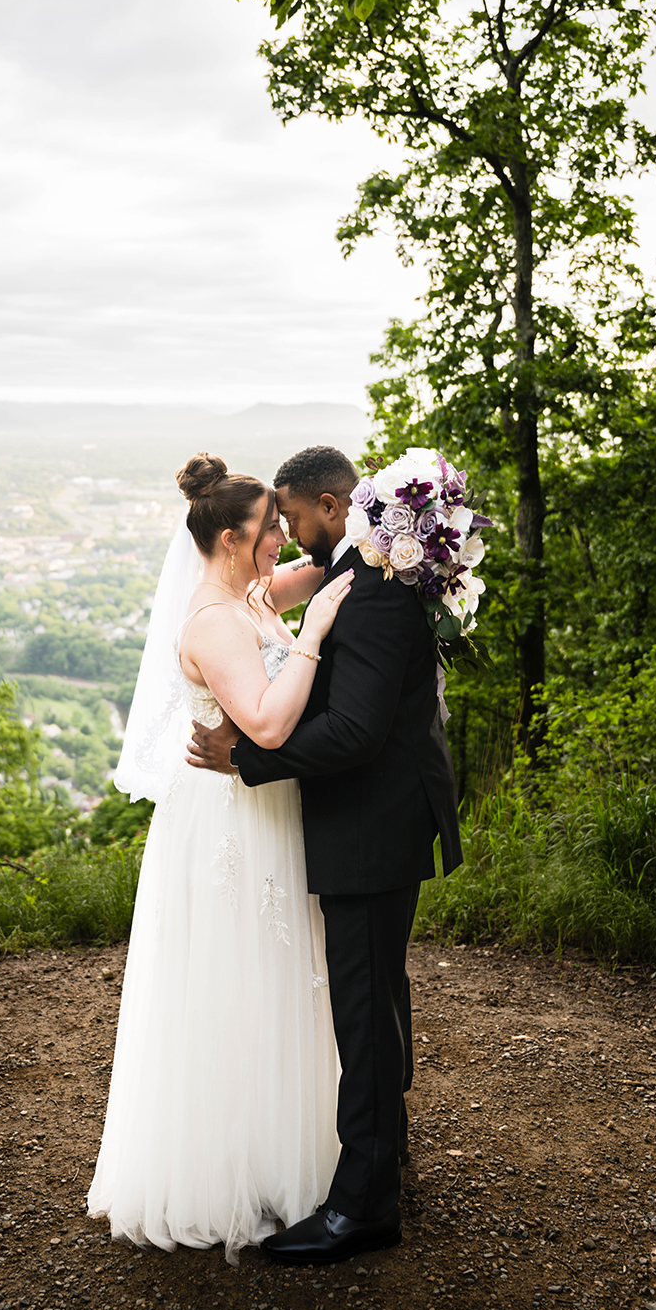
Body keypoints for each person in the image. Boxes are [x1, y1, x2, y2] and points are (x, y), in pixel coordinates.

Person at [188, 444, 462, 1265]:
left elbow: (354, 730)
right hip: (372, 819)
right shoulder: (353, 575)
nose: (288, 529)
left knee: (365, 1012)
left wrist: (248, 761)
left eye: (294, 515)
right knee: (377, 998)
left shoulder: (372, 593)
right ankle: (388, 1148)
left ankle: (364, 1208)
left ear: (333, 508)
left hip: (371, 824)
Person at [87, 452, 353, 1265]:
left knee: (278, 979)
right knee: (237, 979)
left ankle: (285, 1153)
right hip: (232, 823)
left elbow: (313, 576)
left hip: (263, 812)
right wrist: (313, 639)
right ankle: (228, 1172)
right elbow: (268, 726)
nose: (282, 539)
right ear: (236, 537)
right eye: (273, 529)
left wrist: (372, 550)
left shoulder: (245, 592)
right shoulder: (210, 620)